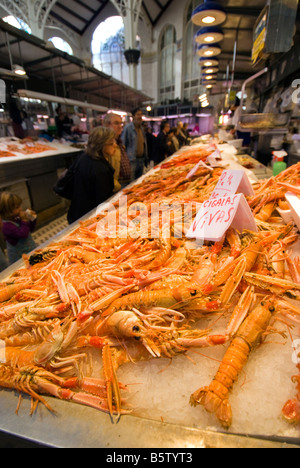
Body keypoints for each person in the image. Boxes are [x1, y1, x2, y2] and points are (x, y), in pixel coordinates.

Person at [67, 126, 116, 224]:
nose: (115, 145)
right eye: (111, 143)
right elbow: (103, 203)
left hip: (75, 212)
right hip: (89, 218)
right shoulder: (101, 169)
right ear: (101, 145)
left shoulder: (83, 157)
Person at [0, 192, 37, 265]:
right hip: (19, 258)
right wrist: (24, 220)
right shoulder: (6, 226)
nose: (20, 209)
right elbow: (23, 234)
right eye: (17, 207)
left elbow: (29, 230)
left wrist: (32, 219)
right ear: (7, 211)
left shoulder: (16, 218)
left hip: (29, 251)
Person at [104, 113, 131, 189]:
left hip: (126, 183)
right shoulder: (106, 145)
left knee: (126, 201)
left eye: (121, 123)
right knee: (122, 201)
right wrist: (116, 186)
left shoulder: (119, 142)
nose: (120, 126)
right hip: (117, 187)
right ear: (107, 125)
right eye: (116, 123)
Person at [121, 108, 148, 180]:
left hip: (141, 160)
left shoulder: (141, 128)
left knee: (139, 182)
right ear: (133, 116)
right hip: (132, 161)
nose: (140, 117)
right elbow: (123, 145)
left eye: (141, 114)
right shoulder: (128, 128)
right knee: (131, 182)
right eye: (138, 114)